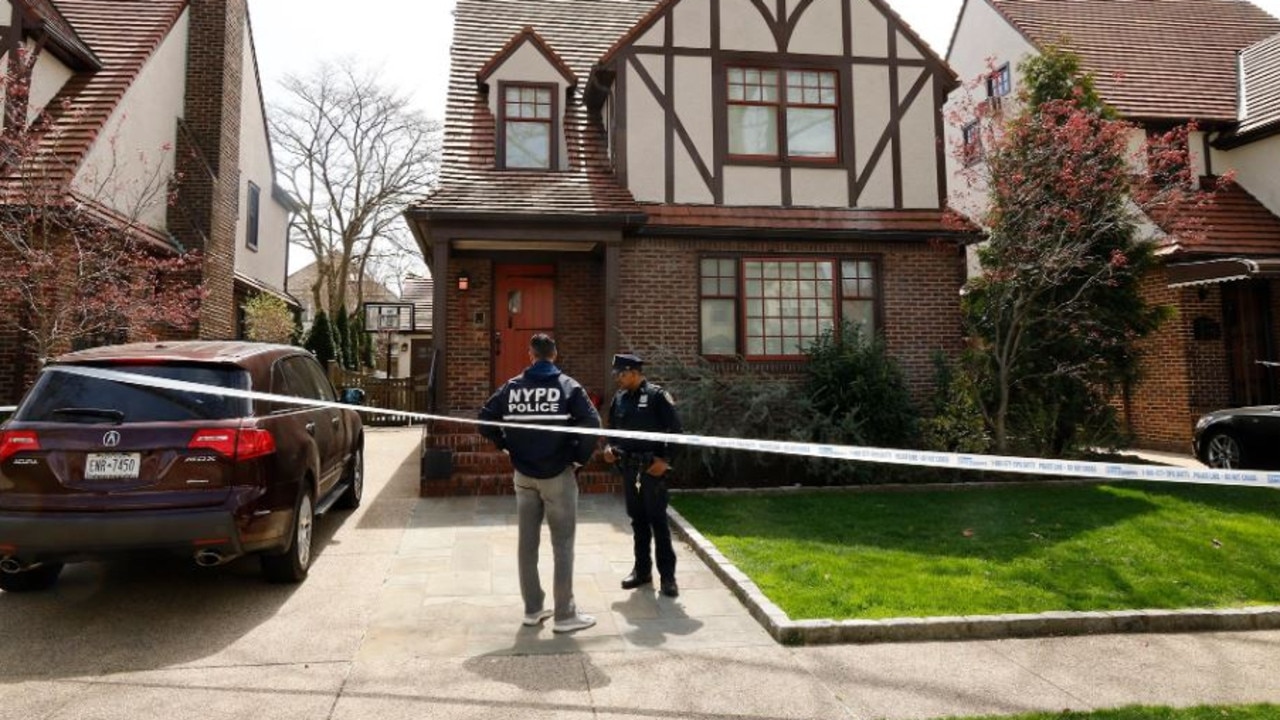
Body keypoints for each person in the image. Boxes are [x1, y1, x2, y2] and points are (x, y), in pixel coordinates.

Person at [479, 334, 600, 633]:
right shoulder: (568, 387)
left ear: (531, 355)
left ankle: (532, 610)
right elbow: (593, 424)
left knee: (527, 544)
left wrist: (507, 447)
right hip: (558, 474)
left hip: (524, 475)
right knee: (563, 544)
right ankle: (564, 614)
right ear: (554, 355)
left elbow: (485, 419)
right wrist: (577, 459)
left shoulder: (512, 387)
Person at [603, 353, 683, 597]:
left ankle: (668, 577)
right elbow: (612, 432)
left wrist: (666, 462)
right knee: (638, 522)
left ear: (635, 372)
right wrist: (609, 448)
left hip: (652, 470)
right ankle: (642, 571)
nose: (618, 378)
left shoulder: (657, 396)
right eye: (617, 374)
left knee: (658, 522)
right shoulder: (620, 398)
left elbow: (677, 432)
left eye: (622, 374)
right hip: (629, 469)